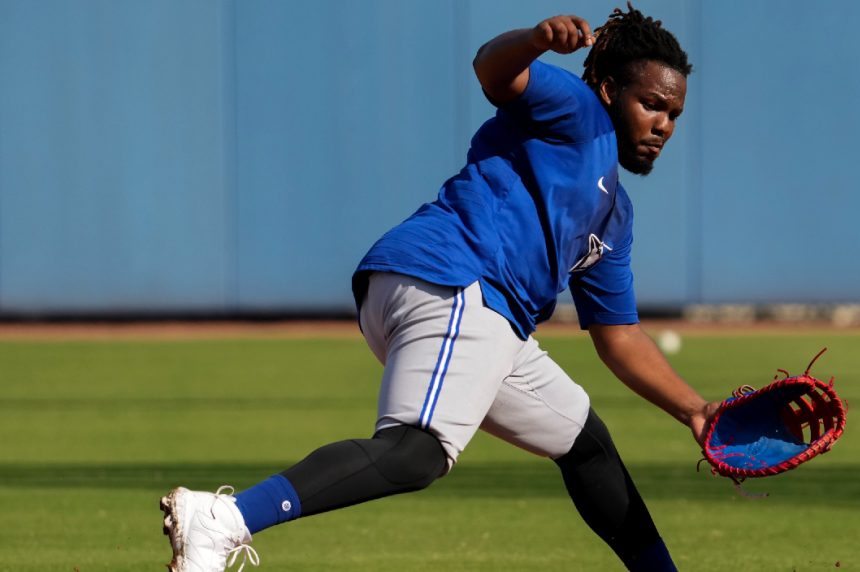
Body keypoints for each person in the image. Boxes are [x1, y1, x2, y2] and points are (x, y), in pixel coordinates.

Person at [160, 5, 719, 571]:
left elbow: (620, 337)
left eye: (673, 113)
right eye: (651, 103)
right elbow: (493, 71)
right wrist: (535, 39)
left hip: (478, 312)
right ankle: (223, 520)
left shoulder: (613, 217)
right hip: (460, 281)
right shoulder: (580, 114)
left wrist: (696, 411)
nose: (663, 124)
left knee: (584, 442)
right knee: (415, 454)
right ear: (606, 89)